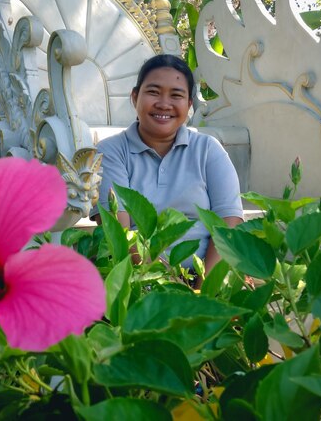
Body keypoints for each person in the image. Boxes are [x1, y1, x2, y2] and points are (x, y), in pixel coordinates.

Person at [91, 54, 243, 278]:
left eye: (176, 95)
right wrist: (165, 285)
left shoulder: (208, 150)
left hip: (207, 279)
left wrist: (204, 291)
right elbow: (118, 233)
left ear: (189, 104)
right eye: (153, 92)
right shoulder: (111, 152)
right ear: (135, 97)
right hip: (139, 280)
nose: (164, 104)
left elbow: (229, 223)